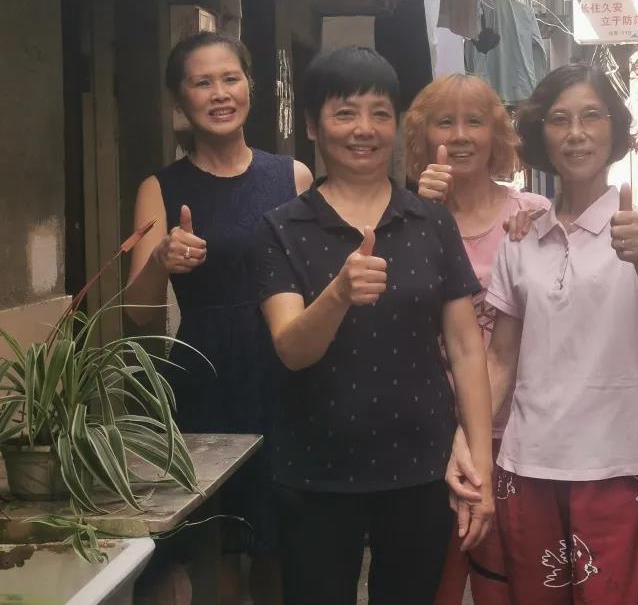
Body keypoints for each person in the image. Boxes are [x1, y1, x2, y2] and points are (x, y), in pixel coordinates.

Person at [255, 47, 493, 605]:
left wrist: (480, 462)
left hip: (421, 467)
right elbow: (292, 349)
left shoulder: (430, 221)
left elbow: (466, 348)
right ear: (312, 125)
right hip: (314, 468)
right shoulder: (283, 228)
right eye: (345, 113)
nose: (364, 129)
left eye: (380, 113)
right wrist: (338, 294)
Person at [484, 64, 638, 604]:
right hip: (527, 462)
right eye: (559, 119)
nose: (576, 133)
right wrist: (470, 443)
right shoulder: (521, 237)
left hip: (617, 462)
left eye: (592, 116)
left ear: (614, 130)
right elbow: (500, 359)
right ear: (541, 135)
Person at [127, 31, 312, 605]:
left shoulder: (293, 177)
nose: (220, 93)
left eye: (230, 78)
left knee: (282, 543)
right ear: (179, 99)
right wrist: (160, 261)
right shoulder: (160, 188)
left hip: (283, 369)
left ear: (250, 85)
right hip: (205, 377)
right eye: (202, 82)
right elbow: (137, 316)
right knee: (220, 546)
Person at [403, 74, 550, 605]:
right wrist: (419, 217)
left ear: (497, 134)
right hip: (431, 433)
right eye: (445, 122)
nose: (461, 135)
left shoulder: (532, 213)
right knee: (431, 581)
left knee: (504, 581)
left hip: (517, 433)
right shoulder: (403, 216)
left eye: (476, 122)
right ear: (423, 136)